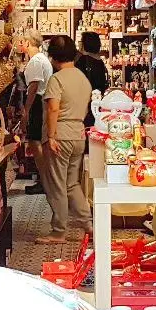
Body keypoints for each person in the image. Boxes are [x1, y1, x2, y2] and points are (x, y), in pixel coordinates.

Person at [38, 35, 94, 244]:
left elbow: (54, 108)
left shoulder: (57, 79)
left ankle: (58, 230)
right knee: (72, 183)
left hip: (60, 135)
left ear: (53, 56)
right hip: (78, 134)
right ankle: (87, 222)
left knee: (57, 184)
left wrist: (51, 136)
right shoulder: (82, 78)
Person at [16, 30, 52, 193]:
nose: (20, 45)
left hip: (37, 102)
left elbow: (34, 87)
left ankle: (44, 181)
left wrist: (26, 110)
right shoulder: (41, 59)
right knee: (36, 142)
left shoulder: (36, 61)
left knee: (36, 142)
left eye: (22, 41)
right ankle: (44, 180)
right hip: (41, 102)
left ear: (29, 43)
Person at [75, 32, 109, 97]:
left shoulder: (82, 60)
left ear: (85, 44)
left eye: (81, 41)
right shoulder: (99, 61)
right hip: (97, 97)